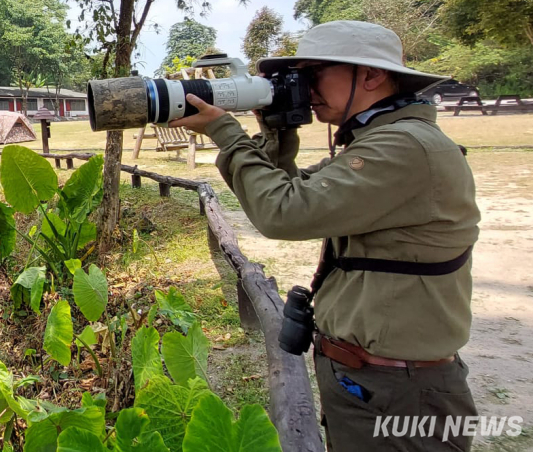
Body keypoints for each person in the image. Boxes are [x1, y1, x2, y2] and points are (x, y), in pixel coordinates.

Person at [170, 20, 481, 451]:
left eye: (312, 74)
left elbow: (283, 214)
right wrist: (279, 132)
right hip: (376, 382)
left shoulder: (405, 148)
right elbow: (293, 192)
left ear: (371, 75)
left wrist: (227, 132)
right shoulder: (382, 140)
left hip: (400, 390)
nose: (304, 87)